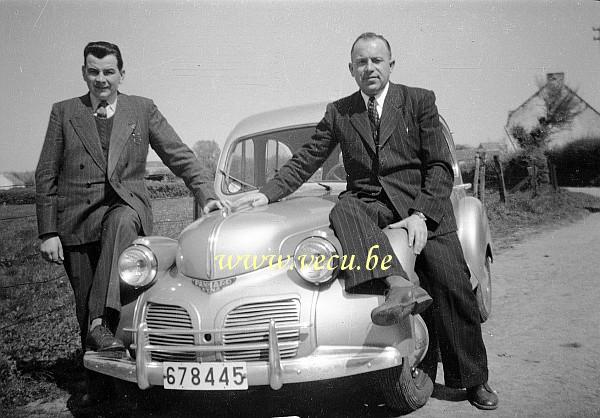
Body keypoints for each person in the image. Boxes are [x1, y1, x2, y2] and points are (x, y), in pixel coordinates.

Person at [233, 32, 498, 410]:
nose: (369, 68)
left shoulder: (419, 101)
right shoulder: (339, 111)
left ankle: (474, 382)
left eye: (376, 60)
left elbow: (439, 166)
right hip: (369, 202)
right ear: (351, 70)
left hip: (420, 201)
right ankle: (396, 284)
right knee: (342, 210)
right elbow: (306, 159)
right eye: (361, 62)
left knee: (452, 286)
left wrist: (422, 215)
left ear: (391, 64)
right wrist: (264, 194)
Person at [35, 41, 221, 403]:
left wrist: (206, 193)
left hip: (126, 211)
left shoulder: (142, 109)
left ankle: (99, 325)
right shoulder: (64, 112)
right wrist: (48, 232)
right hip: (77, 222)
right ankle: (99, 388)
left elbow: (178, 154)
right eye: (94, 71)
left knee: (119, 223)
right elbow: (46, 173)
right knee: (84, 301)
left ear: (122, 73)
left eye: (108, 72)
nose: (101, 79)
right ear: (84, 73)